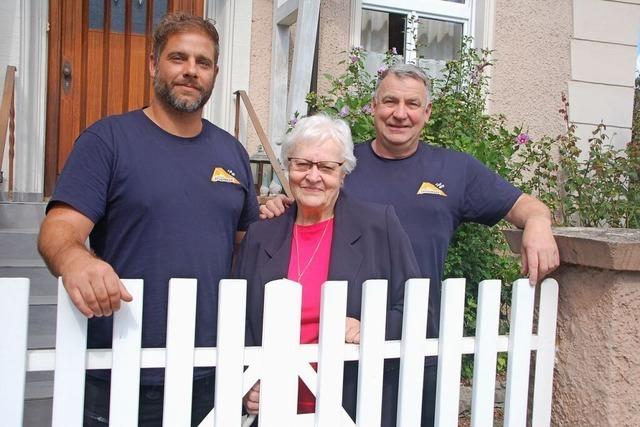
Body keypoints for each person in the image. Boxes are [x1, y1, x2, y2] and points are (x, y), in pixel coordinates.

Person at [260, 63, 560, 425]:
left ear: (427, 112)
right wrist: (280, 204)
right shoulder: (343, 164)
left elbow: (522, 205)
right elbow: (308, 204)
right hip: (347, 348)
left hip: (419, 345)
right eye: (389, 101)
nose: (399, 113)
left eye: (412, 104)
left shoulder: (454, 170)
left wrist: (540, 222)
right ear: (373, 106)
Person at [37, 12, 259, 426]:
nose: (191, 71)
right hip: (121, 365)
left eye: (203, 62)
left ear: (214, 73)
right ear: (153, 64)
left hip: (212, 367)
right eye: (178, 58)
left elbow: (246, 246)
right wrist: (77, 260)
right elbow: (59, 230)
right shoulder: (107, 141)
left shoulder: (232, 153)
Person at [236, 114, 420, 425]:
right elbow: (240, 320)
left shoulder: (379, 226)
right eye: (302, 164)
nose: (312, 176)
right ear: (288, 167)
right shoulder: (261, 234)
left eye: (326, 167)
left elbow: (418, 309)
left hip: (353, 405)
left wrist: (371, 326)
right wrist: (245, 383)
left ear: (344, 173)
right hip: (277, 408)